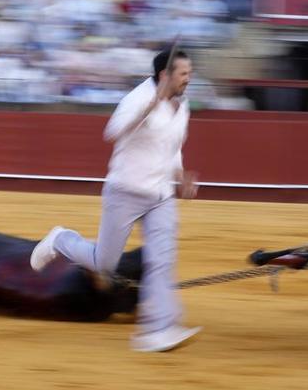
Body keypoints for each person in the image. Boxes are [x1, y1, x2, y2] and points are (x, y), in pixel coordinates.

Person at [31, 46, 201, 352]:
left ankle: (158, 329)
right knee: (104, 263)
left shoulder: (182, 103)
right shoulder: (137, 98)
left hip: (161, 195)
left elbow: (173, 145)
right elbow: (112, 132)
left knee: (162, 260)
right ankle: (60, 240)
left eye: (189, 72)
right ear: (165, 76)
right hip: (126, 191)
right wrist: (148, 108)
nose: (189, 78)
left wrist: (180, 175)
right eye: (184, 73)